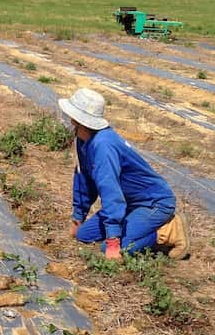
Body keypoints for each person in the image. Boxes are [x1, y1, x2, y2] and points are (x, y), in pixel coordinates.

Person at [59, 87, 190, 260]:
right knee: (84, 235)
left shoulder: (104, 147)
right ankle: (129, 223)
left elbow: (110, 191)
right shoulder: (83, 140)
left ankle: (166, 231)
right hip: (128, 203)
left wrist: (113, 239)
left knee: (110, 248)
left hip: (153, 203)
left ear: (78, 119)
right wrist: (78, 217)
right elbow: (83, 180)